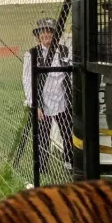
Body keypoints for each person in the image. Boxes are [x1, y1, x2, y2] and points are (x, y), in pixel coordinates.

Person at [22, 17, 73, 175]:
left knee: (68, 133)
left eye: (50, 31)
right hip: (43, 102)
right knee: (43, 137)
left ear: (55, 34)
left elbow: (70, 76)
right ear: (38, 36)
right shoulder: (32, 54)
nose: (46, 35)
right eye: (42, 32)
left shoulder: (64, 50)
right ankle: (41, 169)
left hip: (63, 100)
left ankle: (69, 163)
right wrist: (34, 104)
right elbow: (27, 80)